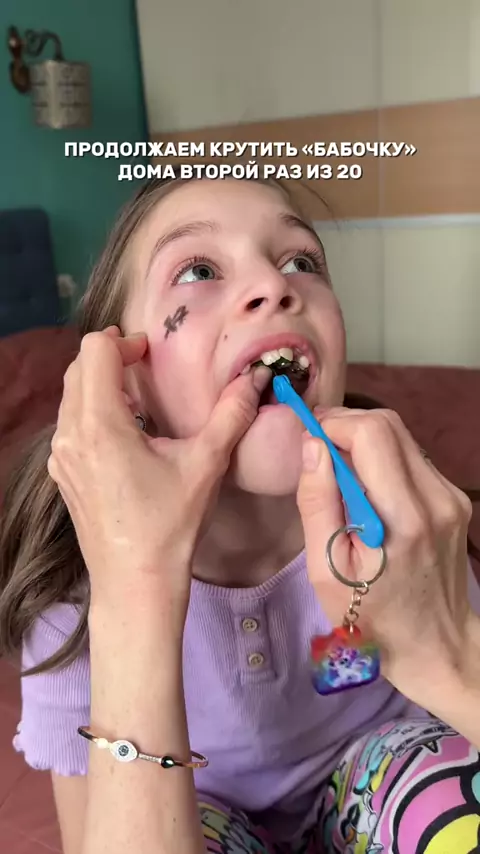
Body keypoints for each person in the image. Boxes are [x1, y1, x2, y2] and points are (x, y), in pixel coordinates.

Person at [1, 174, 480, 854]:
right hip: (194, 808)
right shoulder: (69, 598)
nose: (276, 285)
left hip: (377, 783)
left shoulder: (399, 516)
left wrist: (456, 658)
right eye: (198, 271)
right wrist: (136, 583)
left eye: (301, 261)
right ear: (123, 386)